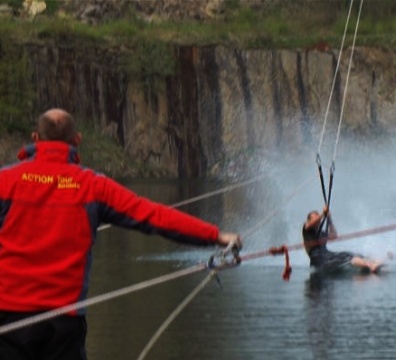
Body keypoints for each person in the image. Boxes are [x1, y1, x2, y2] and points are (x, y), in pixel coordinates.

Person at [0, 108, 242, 360]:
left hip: (8, 323)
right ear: (77, 141)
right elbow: (154, 216)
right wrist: (215, 235)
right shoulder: (92, 186)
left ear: (35, 139)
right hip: (64, 327)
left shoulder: (5, 181)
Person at [302, 206, 382, 275]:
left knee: (348, 254)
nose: (318, 221)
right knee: (348, 259)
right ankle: (370, 265)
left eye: (318, 219)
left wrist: (329, 219)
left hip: (327, 255)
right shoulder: (306, 229)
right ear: (309, 220)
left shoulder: (321, 233)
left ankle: (374, 261)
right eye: (315, 219)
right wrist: (323, 213)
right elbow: (312, 223)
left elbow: (334, 236)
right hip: (318, 260)